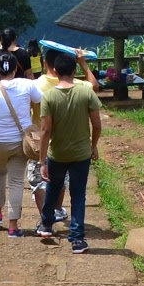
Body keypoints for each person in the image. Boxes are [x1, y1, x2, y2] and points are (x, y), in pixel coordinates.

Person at [36, 49, 102, 253]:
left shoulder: (49, 96)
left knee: (53, 188)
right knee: (79, 195)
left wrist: (42, 161)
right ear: (74, 71)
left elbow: (46, 130)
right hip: (81, 154)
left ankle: (46, 225)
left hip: (57, 153)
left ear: (55, 71)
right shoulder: (86, 92)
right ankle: (77, 239)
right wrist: (93, 145)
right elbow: (97, 125)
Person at [0, 53, 42, 236]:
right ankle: (13, 226)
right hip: (20, 141)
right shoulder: (28, 85)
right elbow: (41, 100)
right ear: (16, 68)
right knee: (16, 181)